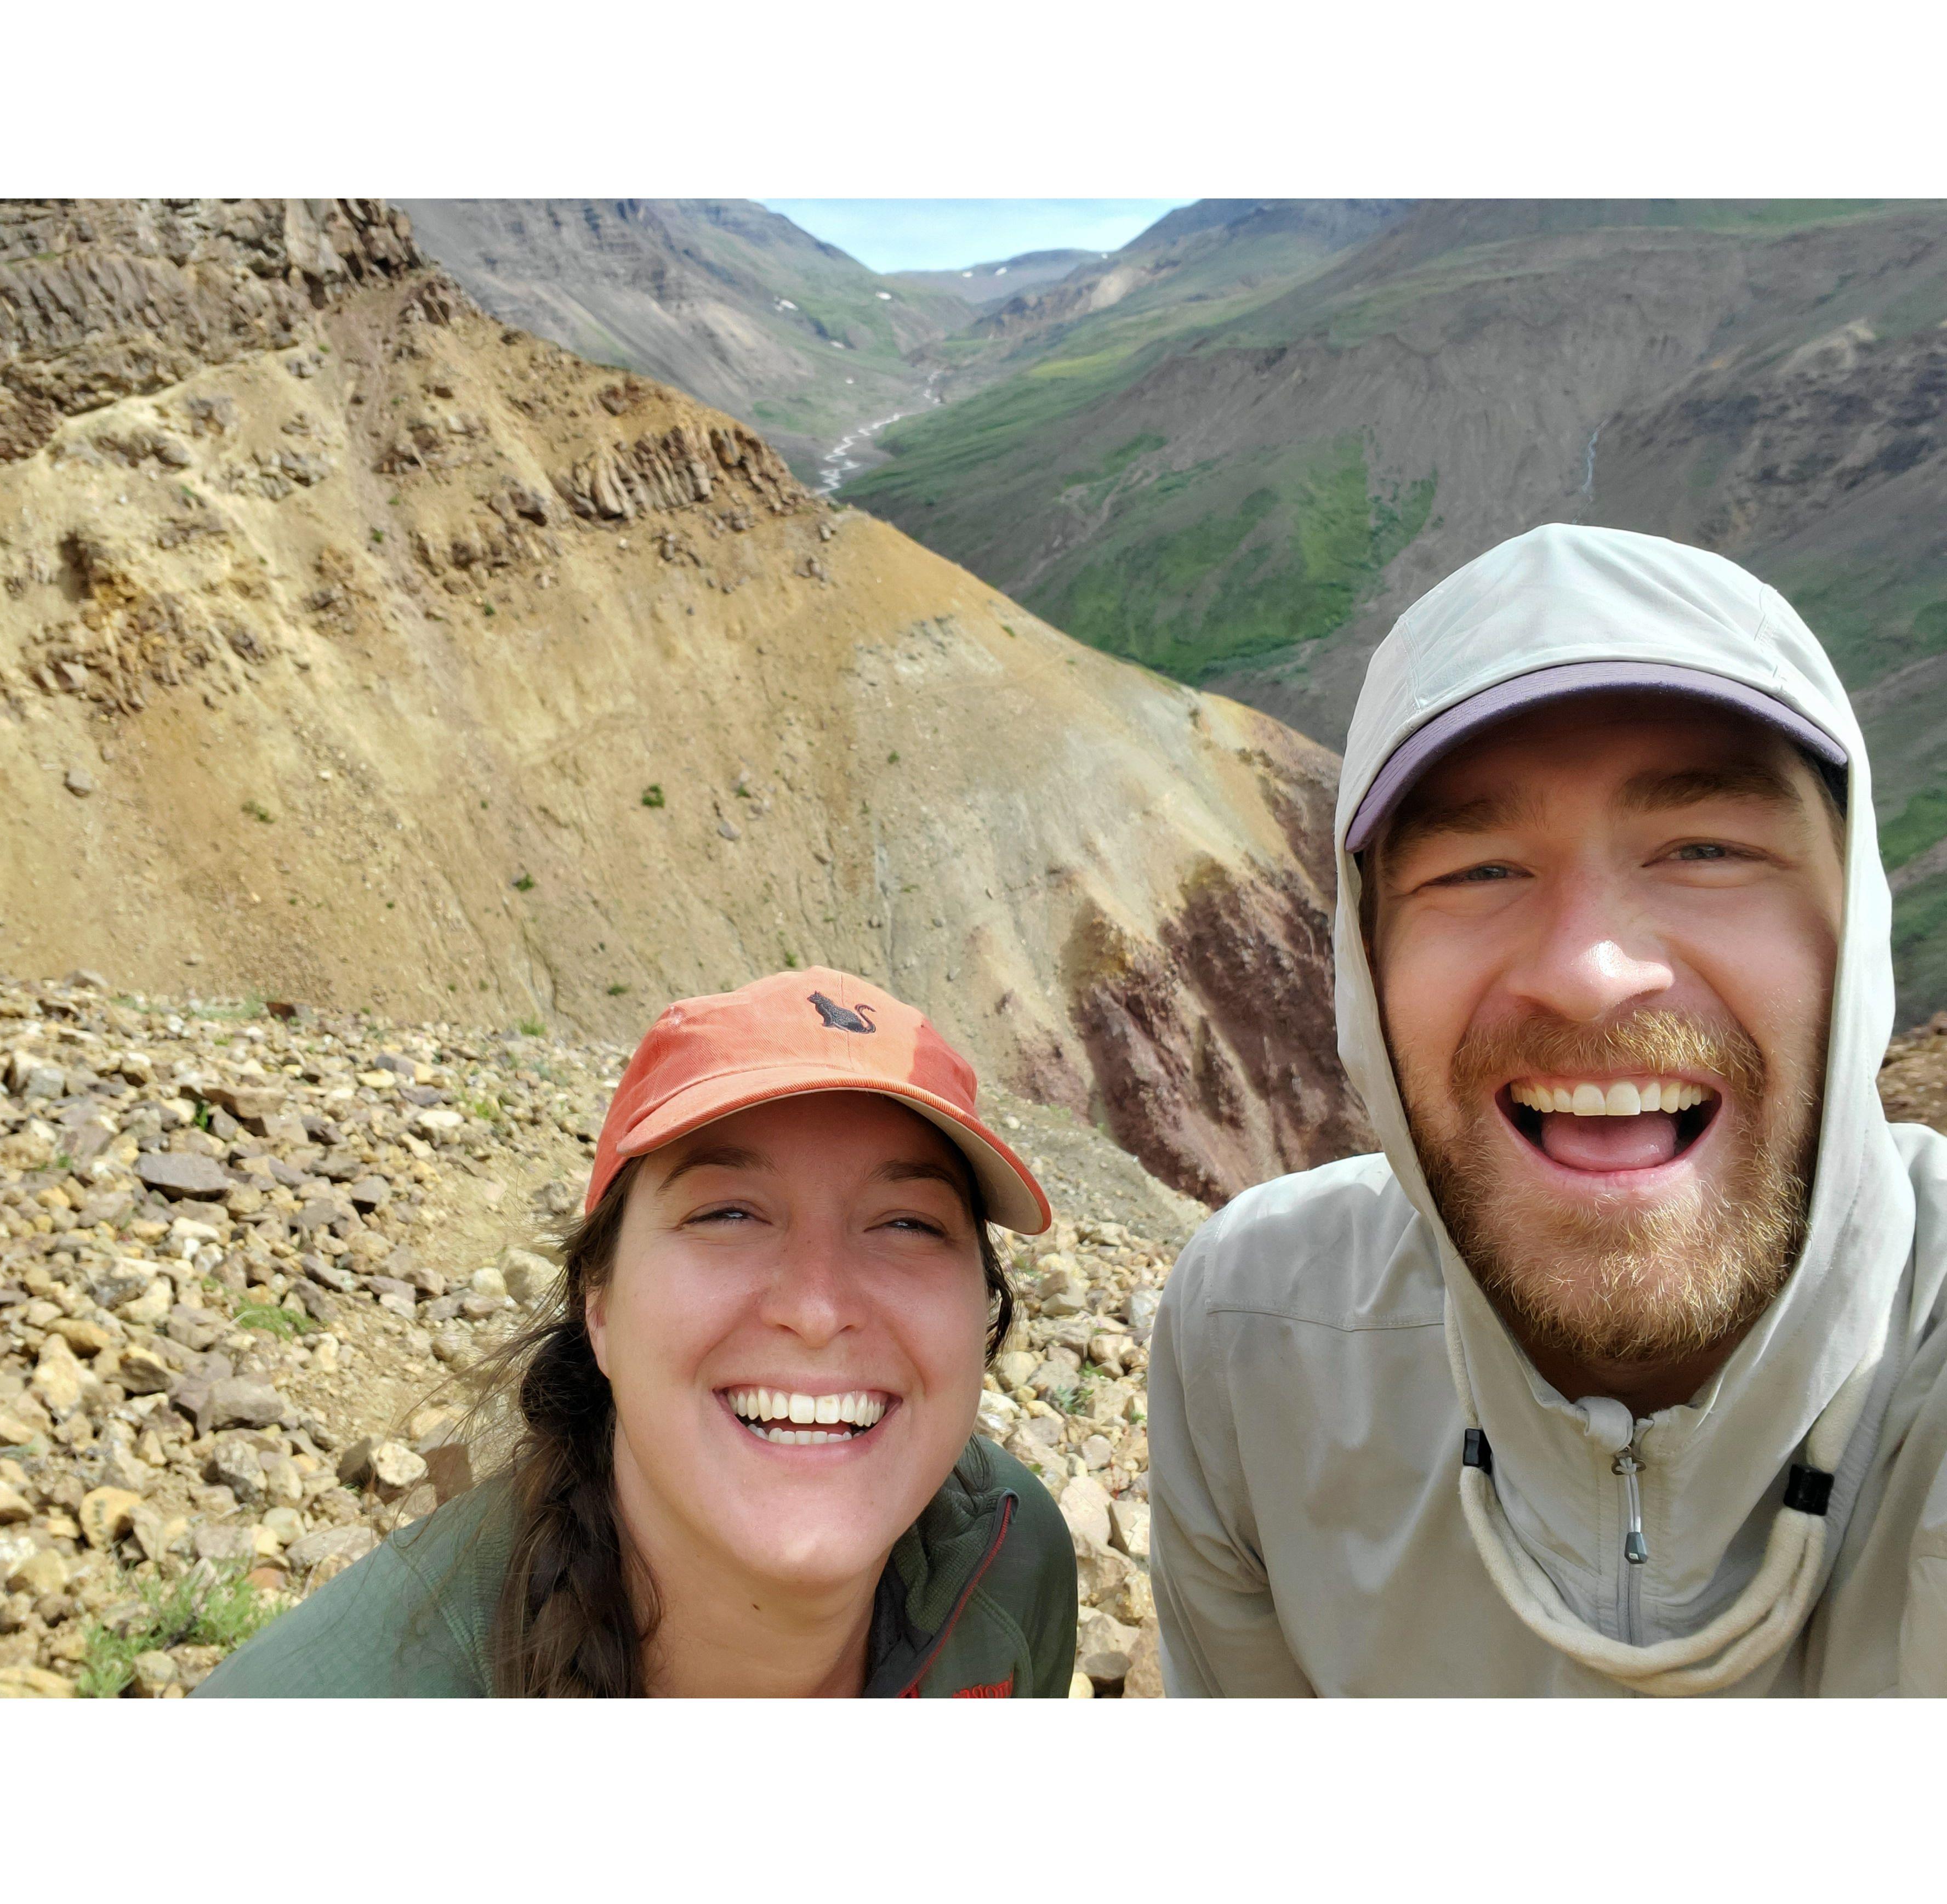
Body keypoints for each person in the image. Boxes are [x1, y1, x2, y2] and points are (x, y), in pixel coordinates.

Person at [1150, 524, 1947, 1696]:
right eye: (1478, 870)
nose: (1588, 969)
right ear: (1365, 971)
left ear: (1854, 931)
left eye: (1705, 848)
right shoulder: (1258, 1339)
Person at [196, 968, 1077, 1697]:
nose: (816, 1309)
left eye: (908, 1225)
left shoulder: (1008, 1556)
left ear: (982, 1311)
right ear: (600, 1304)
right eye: (729, 1213)